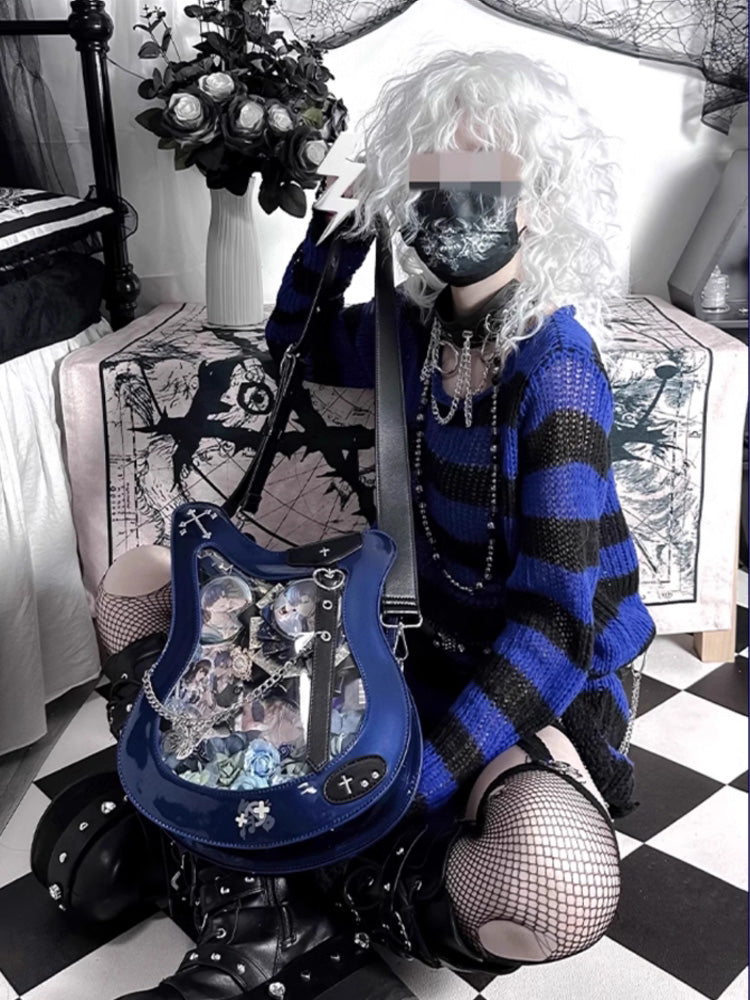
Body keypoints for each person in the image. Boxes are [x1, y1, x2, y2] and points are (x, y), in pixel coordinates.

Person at [111, 49, 655, 999]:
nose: (445, 195)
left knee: (555, 879)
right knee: (137, 582)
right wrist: (333, 232)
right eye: (427, 172)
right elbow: (296, 342)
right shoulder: (417, 326)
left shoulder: (558, 371)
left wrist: (418, 779)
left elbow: (556, 628)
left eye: (475, 170)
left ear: (535, 195)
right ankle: (276, 879)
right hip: (408, 640)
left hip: (531, 676)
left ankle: (317, 887)